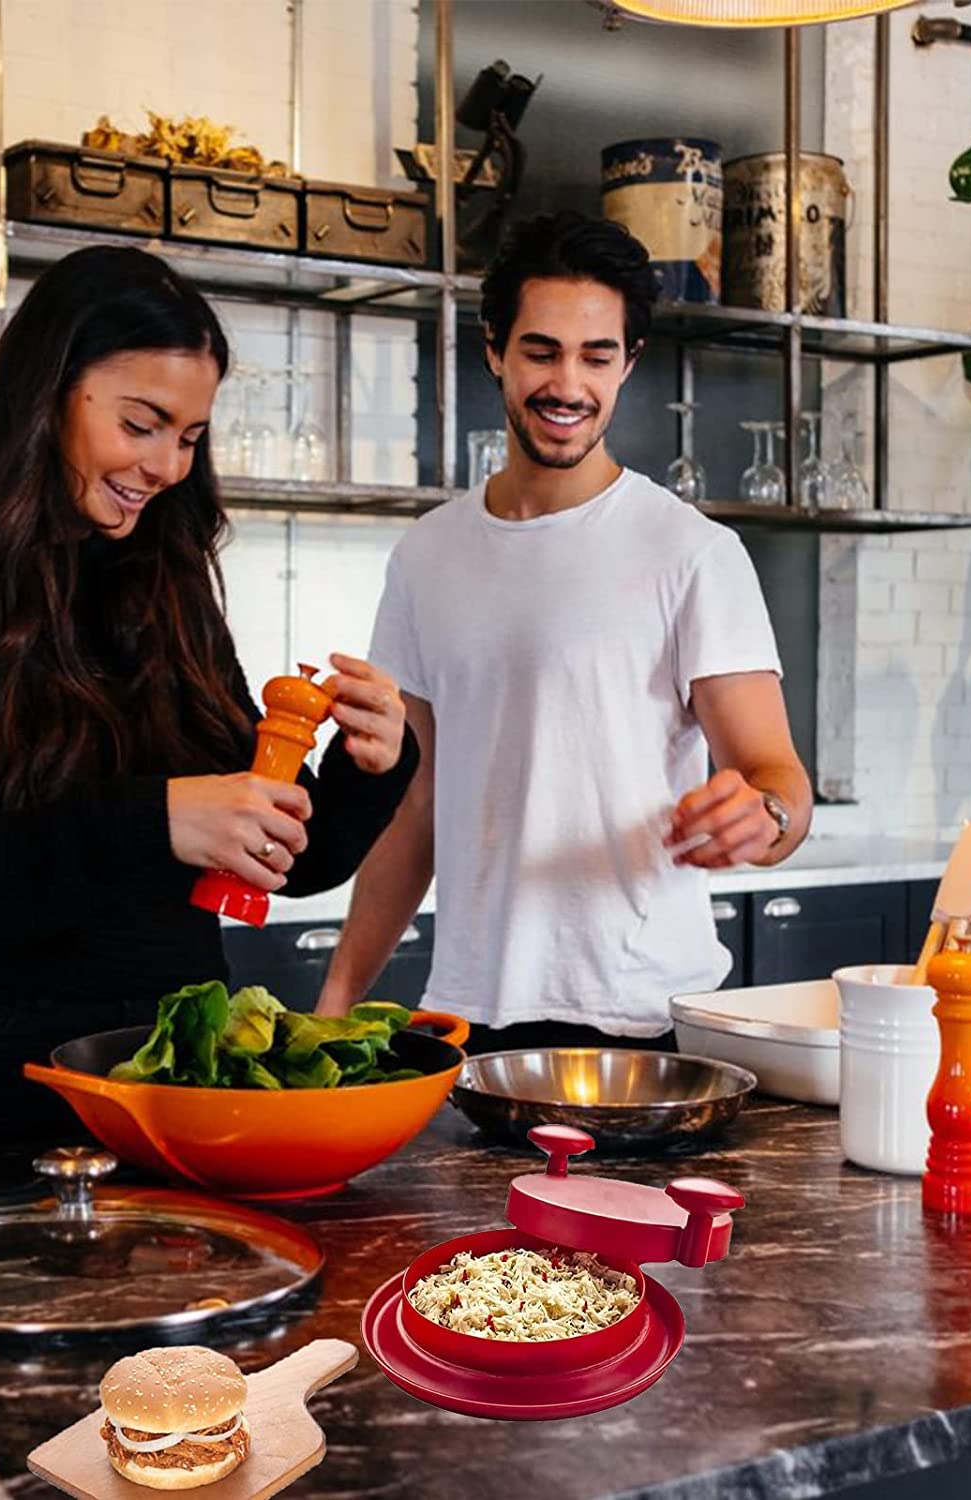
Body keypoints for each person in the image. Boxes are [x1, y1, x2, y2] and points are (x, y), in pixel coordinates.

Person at [0, 245, 416, 1160]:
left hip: (173, 1081)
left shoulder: (165, 581)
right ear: (48, 390)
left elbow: (280, 860)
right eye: (142, 423)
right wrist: (155, 821)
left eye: (191, 436)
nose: (167, 465)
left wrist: (370, 765)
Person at [316, 210, 811, 1054]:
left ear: (630, 363)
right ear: (494, 351)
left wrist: (761, 818)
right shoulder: (428, 554)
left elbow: (778, 783)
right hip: (469, 1018)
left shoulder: (693, 552)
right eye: (541, 351)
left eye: (597, 356)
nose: (568, 384)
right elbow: (415, 805)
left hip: (644, 1020)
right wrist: (332, 1007)